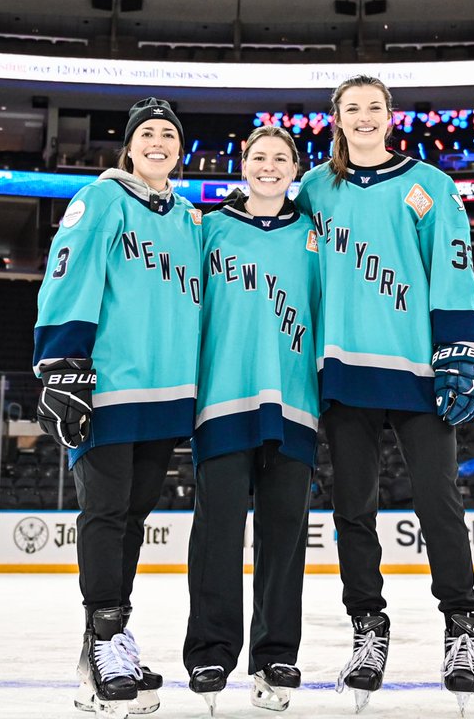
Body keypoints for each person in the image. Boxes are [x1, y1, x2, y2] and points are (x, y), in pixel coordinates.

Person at [295, 75, 474, 713]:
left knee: (439, 504)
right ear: (337, 119)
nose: (363, 117)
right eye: (351, 108)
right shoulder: (314, 189)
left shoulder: (431, 186)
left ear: (389, 115)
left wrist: (462, 344)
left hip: (418, 373)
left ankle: (462, 629)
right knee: (354, 510)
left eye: (372, 107)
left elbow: (454, 267)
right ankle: (367, 629)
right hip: (346, 373)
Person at [34, 98, 203, 719]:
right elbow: (67, 277)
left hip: (165, 396)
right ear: (129, 147)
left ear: (179, 150)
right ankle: (104, 638)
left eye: (169, 135)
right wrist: (61, 365)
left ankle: (111, 641)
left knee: (131, 517)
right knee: (104, 513)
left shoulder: (188, 217)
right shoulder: (100, 200)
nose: (158, 142)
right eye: (147, 134)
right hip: (107, 386)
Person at [184, 126, 321, 715]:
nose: (269, 167)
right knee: (215, 532)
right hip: (220, 400)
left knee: (285, 533)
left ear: (296, 169)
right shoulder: (206, 229)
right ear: (243, 165)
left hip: (296, 403)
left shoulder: (316, 238)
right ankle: (211, 650)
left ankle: (276, 653)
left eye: (280, 159)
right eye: (258, 157)